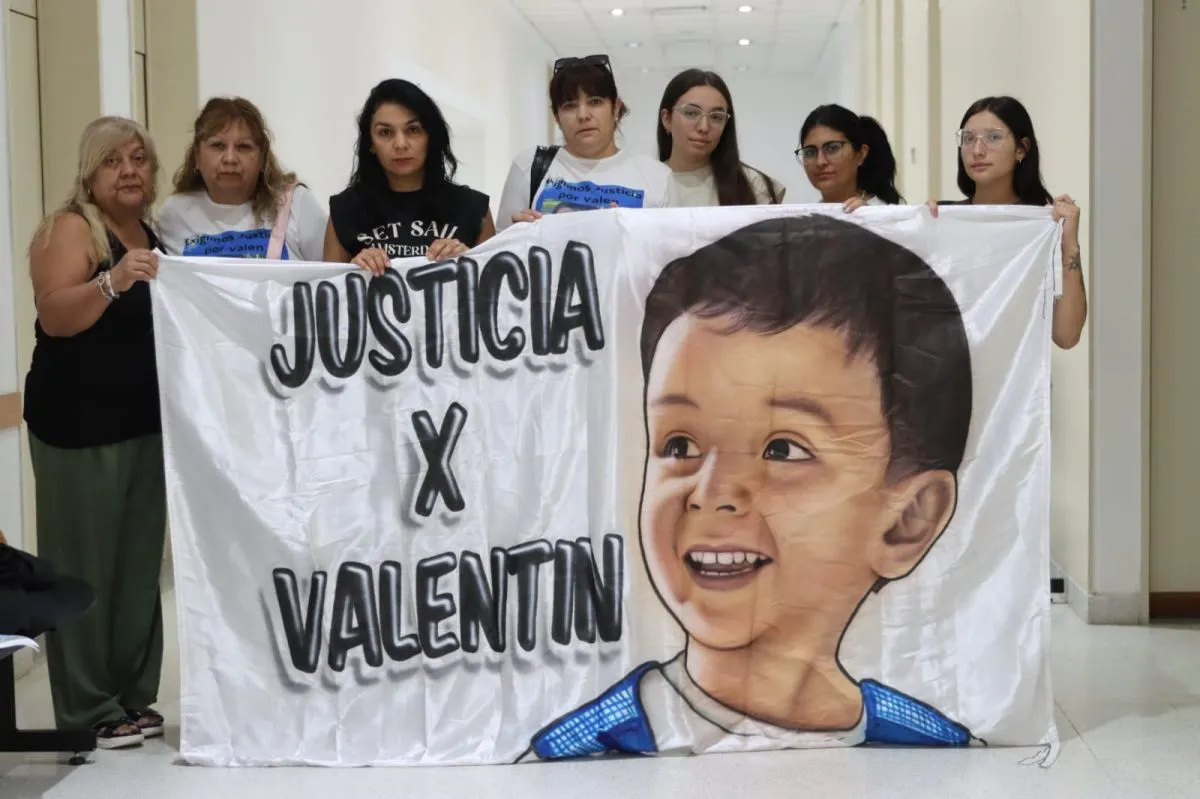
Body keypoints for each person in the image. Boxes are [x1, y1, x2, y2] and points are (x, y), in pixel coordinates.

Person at [523, 215, 976, 760]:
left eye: (782, 449)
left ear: (908, 521)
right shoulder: (584, 745)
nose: (712, 492)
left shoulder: (932, 744)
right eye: (680, 445)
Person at [23, 116, 168, 750]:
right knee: (85, 568)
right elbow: (55, 314)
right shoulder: (71, 228)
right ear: (89, 172)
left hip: (144, 423)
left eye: (138, 158)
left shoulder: (153, 232)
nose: (129, 171)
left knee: (136, 569)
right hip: (76, 427)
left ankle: (132, 693)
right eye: (113, 161)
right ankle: (86, 706)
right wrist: (112, 281)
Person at [928, 96, 1086, 350]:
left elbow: (1066, 336)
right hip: (950, 377)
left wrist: (1070, 244)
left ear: (1022, 148)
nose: (978, 150)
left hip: (1014, 383)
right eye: (968, 138)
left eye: (993, 137)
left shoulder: (1043, 224)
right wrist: (866, 219)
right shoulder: (942, 218)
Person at [324, 78, 494, 276]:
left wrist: (472, 263)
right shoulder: (345, 211)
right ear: (370, 142)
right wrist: (352, 272)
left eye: (413, 130)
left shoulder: (473, 208)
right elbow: (325, 297)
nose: (400, 144)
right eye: (385, 132)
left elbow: (498, 293)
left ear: (430, 137)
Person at [497, 54, 676, 229]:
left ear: (616, 108)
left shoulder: (657, 177)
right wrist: (515, 235)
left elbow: (670, 253)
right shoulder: (529, 165)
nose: (583, 115)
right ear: (556, 116)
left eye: (595, 102)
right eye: (569, 106)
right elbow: (497, 253)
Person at [157, 97, 327, 261]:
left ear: (262, 160)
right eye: (218, 146)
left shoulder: (296, 204)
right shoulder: (174, 214)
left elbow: (335, 276)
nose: (230, 158)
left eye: (244, 147)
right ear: (197, 157)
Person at [657, 68, 783, 206]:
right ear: (666, 119)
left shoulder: (755, 186)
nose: (704, 127)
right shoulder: (645, 182)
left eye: (716, 117)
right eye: (691, 113)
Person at [796, 104, 902, 211]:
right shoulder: (807, 219)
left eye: (832, 148)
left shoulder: (889, 215)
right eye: (810, 152)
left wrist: (869, 219)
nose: (820, 162)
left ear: (860, 154)